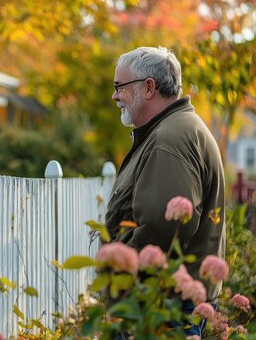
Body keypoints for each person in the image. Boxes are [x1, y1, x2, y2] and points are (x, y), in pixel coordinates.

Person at [105, 46, 225, 335]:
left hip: (165, 307)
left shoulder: (168, 139)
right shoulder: (174, 129)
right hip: (170, 303)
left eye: (119, 86)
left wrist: (121, 276)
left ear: (148, 88)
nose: (114, 96)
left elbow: (162, 225)